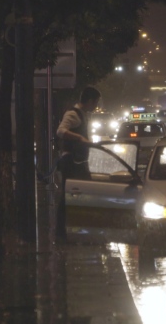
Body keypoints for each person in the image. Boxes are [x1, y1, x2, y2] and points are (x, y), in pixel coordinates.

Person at [55, 86, 101, 238]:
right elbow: (61, 131)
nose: (96, 106)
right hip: (71, 162)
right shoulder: (73, 114)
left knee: (80, 193)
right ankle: (62, 232)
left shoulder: (83, 114)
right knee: (69, 195)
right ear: (89, 101)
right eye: (96, 103)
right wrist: (80, 138)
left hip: (79, 162)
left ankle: (77, 229)